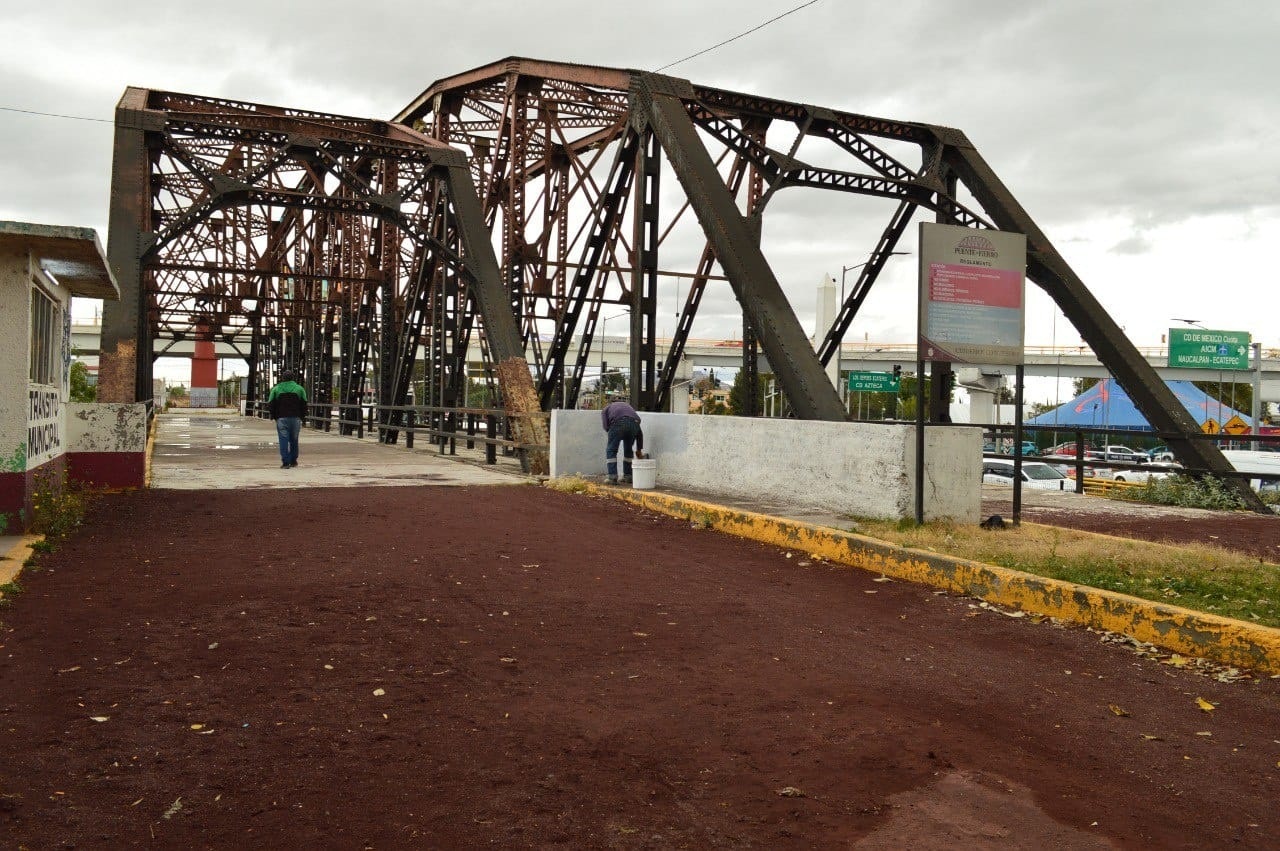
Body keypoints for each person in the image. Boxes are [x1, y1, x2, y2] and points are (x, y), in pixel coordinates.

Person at [268, 370, 308, 468]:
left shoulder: (276, 389)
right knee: (294, 440)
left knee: (283, 440)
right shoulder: (300, 389)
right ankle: (293, 460)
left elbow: (270, 404)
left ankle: (285, 462)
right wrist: (302, 417)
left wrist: (274, 416)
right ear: (293, 378)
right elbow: (304, 404)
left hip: (281, 418)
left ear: (283, 378)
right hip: (295, 418)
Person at [601, 399, 642, 484]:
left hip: (618, 422)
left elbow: (606, 426)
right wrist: (639, 449)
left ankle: (612, 478)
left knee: (611, 450)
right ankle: (628, 477)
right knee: (628, 449)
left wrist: (612, 434)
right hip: (635, 423)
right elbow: (639, 433)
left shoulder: (607, 408)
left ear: (611, 403)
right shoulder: (629, 407)